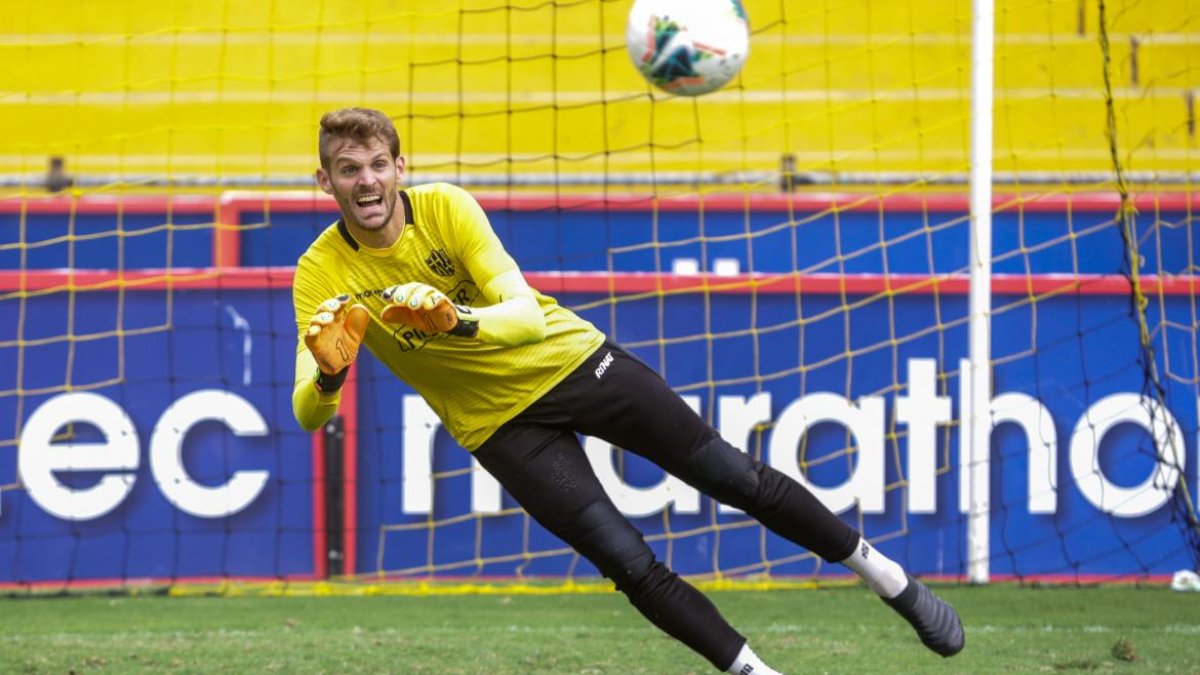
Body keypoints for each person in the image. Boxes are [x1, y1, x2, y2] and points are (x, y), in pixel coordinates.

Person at [292, 107, 964, 674]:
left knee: (734, 475)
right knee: (626, 560)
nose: (367, 180)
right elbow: (308, 412)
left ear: (399, 167)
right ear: (326, 180)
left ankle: (887, 578)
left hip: (575, 363)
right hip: (499, 426)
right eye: (349, 169)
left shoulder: (445, 208)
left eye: (378, 163)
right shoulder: (321, 271)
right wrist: (328, 374)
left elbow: (523, 316)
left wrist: (456, 319)